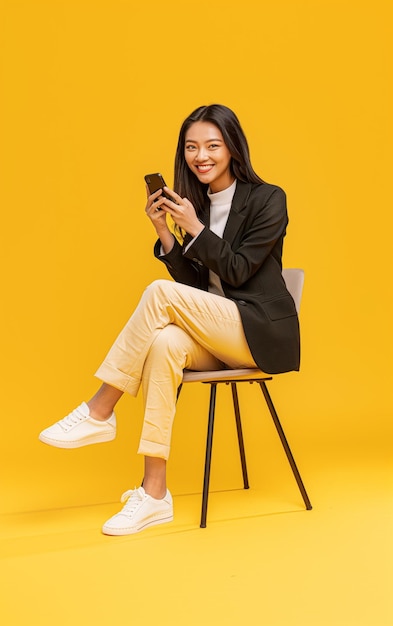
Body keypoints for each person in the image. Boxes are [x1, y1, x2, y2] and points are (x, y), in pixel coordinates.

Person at [39, 104, 300, 536]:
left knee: (158, 294)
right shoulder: (194, 205)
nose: (202, 156)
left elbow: (237, 271)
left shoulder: (269, 198)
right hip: (218, 330)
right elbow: (199, 287)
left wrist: (195, 230)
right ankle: (154, 493)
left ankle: (100, 409)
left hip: (259, 331)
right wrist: (165, 231)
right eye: (193, 147)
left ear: (233, 148)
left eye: (213, 146)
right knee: (163, 344)